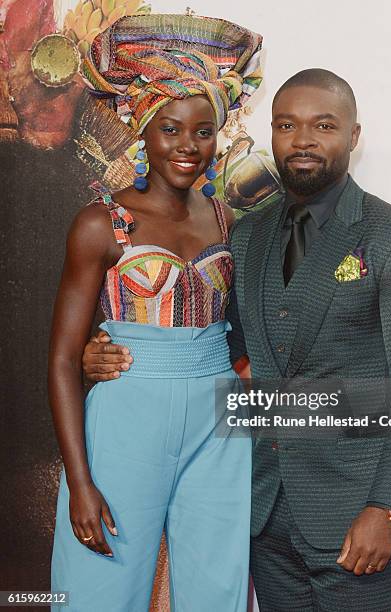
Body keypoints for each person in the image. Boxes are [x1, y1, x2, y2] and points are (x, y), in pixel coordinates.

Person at [83, 68, 391, 611]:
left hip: (354, 519)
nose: (302, 140)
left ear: (353, 135)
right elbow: (218, 340)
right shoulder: (247, 233)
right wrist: (106, 350)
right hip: (262, 518)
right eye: (286, 124)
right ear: (271, 134)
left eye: (323, 125)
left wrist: (387, 507)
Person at [48, 14, 262, 612]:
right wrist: (80, 482)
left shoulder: (226, 220)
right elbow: (65, 359)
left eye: (203, 131)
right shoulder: (101, 224)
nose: (188, 147)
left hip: (218, 425)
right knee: (98, 590)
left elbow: (249, 325)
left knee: (216, 589)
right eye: (170, 129)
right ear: (143, 130)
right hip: (125, 420)